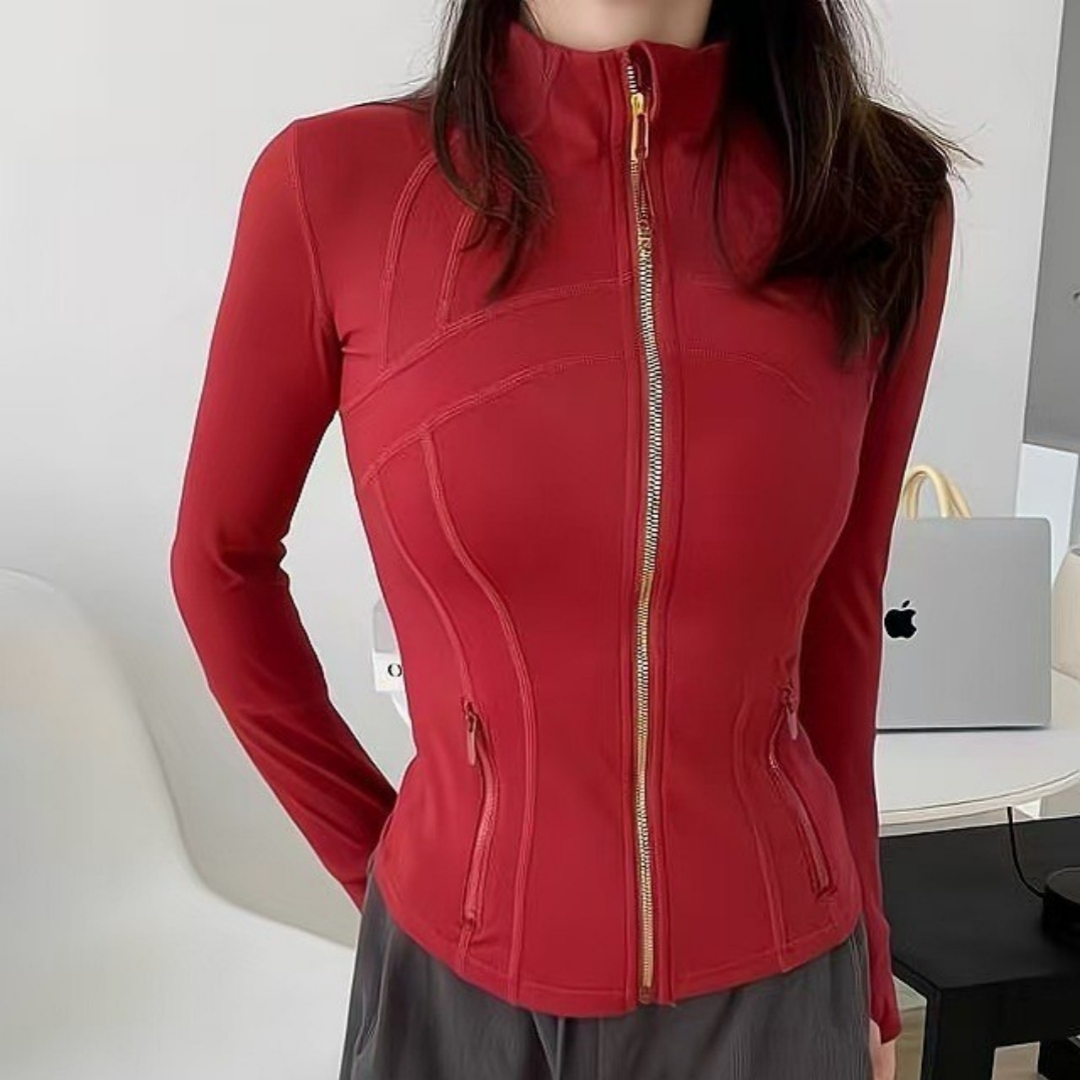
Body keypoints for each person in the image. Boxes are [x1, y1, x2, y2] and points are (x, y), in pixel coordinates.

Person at [169, 1, 972, 1077]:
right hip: (448, 994)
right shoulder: (336, 184)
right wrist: (384, 865)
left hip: (774, 983)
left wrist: (868, 953)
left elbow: (842, 604)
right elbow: (218, 566)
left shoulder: (878, 197)